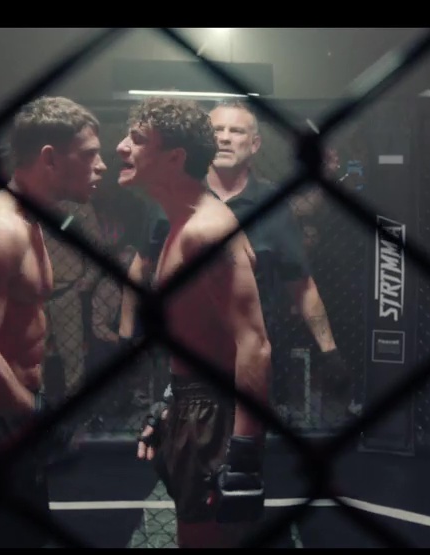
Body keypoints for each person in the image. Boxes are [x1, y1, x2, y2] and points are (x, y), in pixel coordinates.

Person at [0, 96, 106, 548]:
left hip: (11, 413)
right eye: (89, 154)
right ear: (50, 158)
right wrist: (36, 417)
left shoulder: (27, 220)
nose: (101, 166)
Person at [120, 100, 347, 425]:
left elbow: (301, 284)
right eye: (218, 130)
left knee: (243, 439)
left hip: (249, 353)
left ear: (254, 144)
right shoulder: (173, 194)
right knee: (181, 439)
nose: (225, 138)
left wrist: (329, 350)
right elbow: (140, 267)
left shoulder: (274, 205)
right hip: (181, 356)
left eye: (236, 131)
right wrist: (126, 337)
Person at [121, 97, 272, 548]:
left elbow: (254, 344)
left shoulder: (205, 231)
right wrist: (173, 401)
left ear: (175, 158)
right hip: (194, 400)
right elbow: (207, 336)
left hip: (214, 412)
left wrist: (243, 456)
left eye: (138, 139)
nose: (122, 147)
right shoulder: (179, 224)